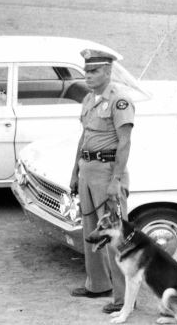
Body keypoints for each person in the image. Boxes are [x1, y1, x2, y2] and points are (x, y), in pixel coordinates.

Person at [69, 48, 135, 315]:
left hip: (108, 172)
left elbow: (125, 142)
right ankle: (97, 285)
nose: (88, 75)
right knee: (90, 230)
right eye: (86, 71)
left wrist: (116, 181)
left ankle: (123, 298)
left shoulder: (119, 101)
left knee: (114, 236)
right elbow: (83, 138)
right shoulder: (89, 99)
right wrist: (74, 172)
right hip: (87, 169)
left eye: (94, 71)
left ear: (108, 72)